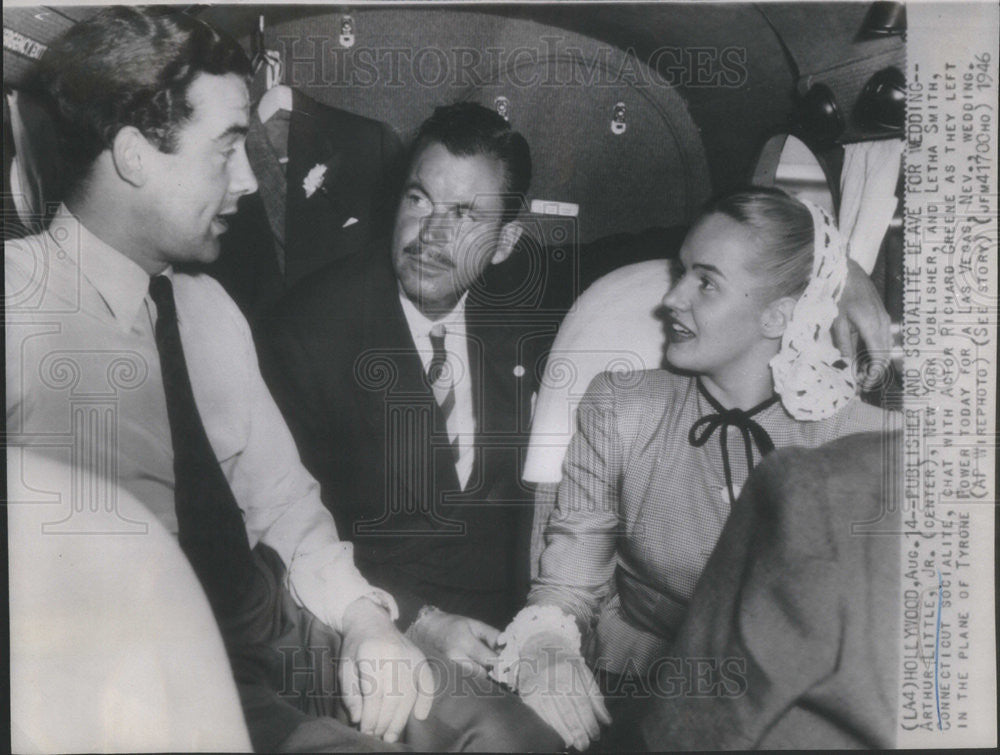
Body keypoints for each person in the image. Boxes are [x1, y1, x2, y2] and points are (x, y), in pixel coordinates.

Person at [5, 8, 557, 752]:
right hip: (128, 660)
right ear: (136, 155)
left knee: (506, 733)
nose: (245, 180)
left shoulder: (205, 308)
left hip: (265, 619)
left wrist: (366, 622)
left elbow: (282, 501)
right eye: (229, 147)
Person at [490, 187, 901, 750]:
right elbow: (568, 583)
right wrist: (547, 650)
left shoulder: (868, 443)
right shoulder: (622, 405)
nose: (672, 299)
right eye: (682, 271)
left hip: (790, 715)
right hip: (629, 693)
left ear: (779, 314)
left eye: (706, 282)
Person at [260, 102, 549, 669]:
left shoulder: (523, 316)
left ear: (505, 241)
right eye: (419, 200)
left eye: (465, 215)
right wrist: (419, 620)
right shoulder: (309, 330)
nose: (431, 234)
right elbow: (285, 526)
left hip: (511, 631)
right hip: (375, 629)